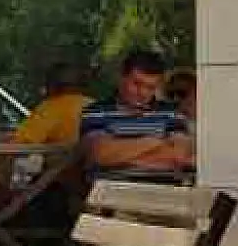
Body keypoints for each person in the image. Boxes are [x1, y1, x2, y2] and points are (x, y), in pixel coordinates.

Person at [0, 62, 92, 246]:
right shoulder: (94, 107)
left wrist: (0, 188)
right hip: (88, 194)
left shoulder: (52, 107)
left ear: (51, 86)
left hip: (62, 197)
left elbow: (13, 149)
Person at [81, 49, 193, 180]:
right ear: (121, 78)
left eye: (150, 87)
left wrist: (118, 156)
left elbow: (178, 157)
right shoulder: (97, 112)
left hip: (163, 188)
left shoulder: (171, 113)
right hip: (112, 189)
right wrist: (157, 142)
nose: (143, 93)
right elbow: (100, 154)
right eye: (137, 84)